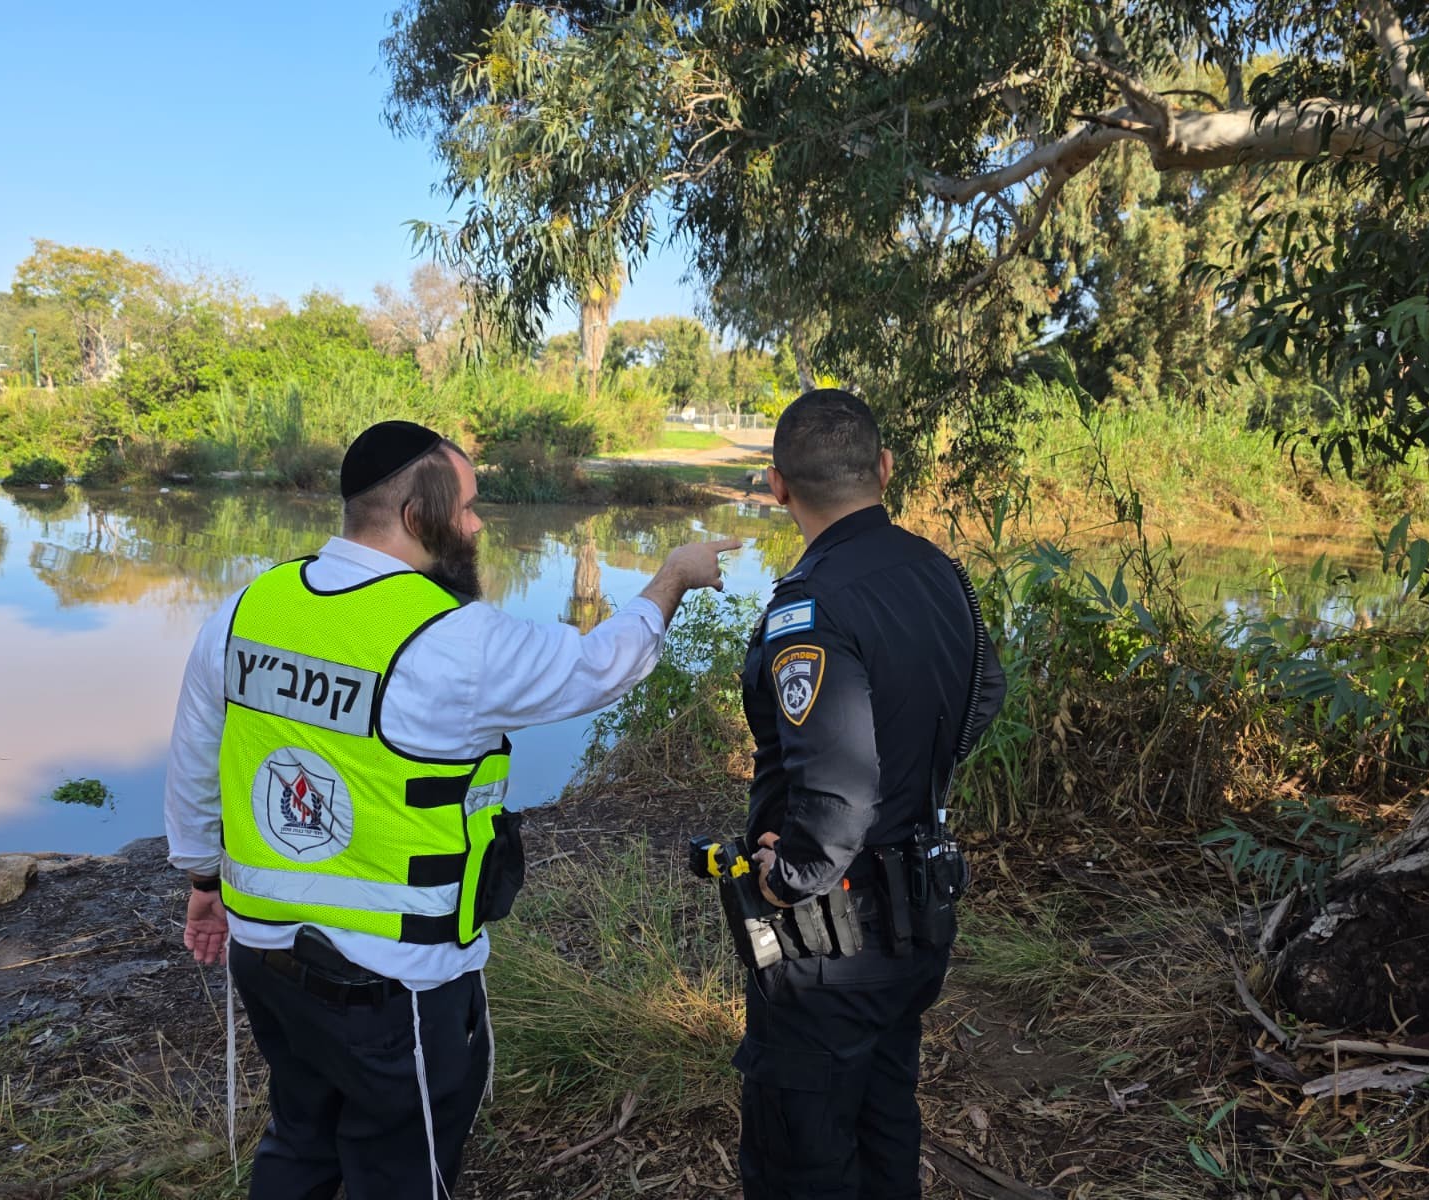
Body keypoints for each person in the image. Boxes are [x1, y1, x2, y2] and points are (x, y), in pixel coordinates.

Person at [164, 420, 738, 1200]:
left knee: (300, 1138)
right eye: (467, 507)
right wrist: (671, 576)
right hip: (393, 983)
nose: (476, 524)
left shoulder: (245, 610)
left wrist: (204, 880)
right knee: (400, 1170)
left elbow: (195, 759)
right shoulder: (455, 642)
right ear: (416, 516)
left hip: (264, 957)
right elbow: (600, 666)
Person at [733, 388, 1004, 1199]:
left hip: (833, 942)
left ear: (777, 486)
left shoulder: (808, 612)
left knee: (801, 1157)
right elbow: (984, 694)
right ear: (885, 468)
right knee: (886, 1115)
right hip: (920, 913)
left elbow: (836, 796)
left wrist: (789, 875)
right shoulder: (941, 572)